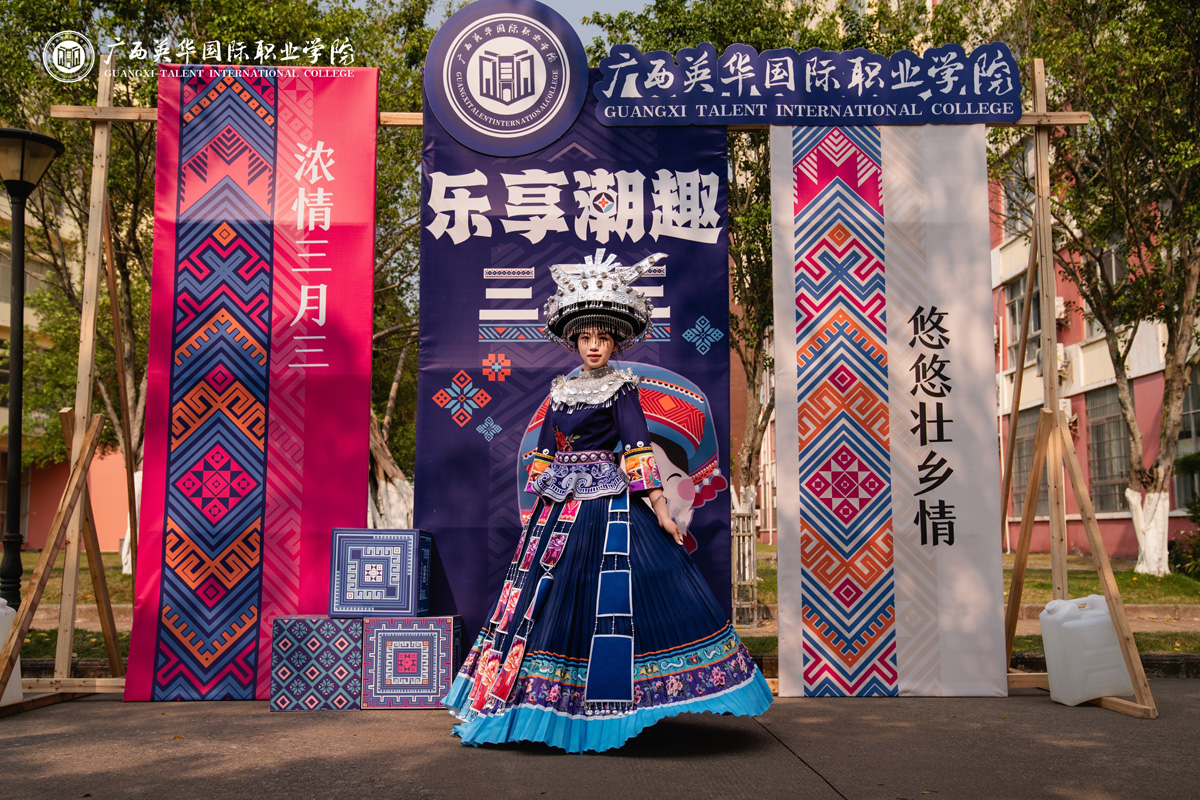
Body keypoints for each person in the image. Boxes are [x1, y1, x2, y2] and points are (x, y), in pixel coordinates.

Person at [443, 250, 772, 752]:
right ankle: (544, 702)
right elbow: (544, 455)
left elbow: (638, 450)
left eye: (602, 337)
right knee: (553, 598)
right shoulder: (559, 391)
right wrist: (540, 510)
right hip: (558, 507)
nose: (593, 345)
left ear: (615, 340)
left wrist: (661, 511)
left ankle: (604, 702)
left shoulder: (622, 388)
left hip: (607, 504)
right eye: (585, 337)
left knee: (609, 598)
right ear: (574, 341)